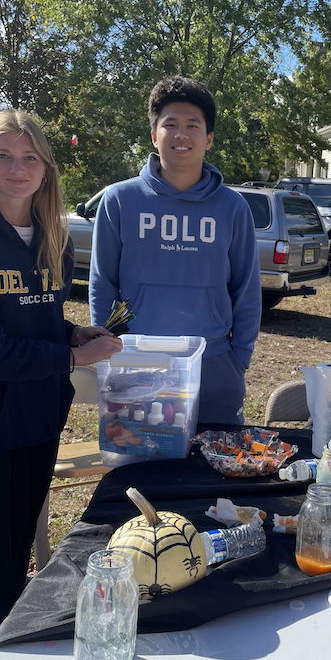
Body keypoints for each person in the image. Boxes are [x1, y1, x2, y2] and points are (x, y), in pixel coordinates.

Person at [0, 110, 123, 648]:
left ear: (45, 168)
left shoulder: (55, 236)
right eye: (4, 156)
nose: (18, 168)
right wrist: (72, 360)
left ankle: (2, 649)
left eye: (29, 157)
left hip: (38, 411)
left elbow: (33, 317)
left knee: (19, 547)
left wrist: (73, 333)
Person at [90, 76, 261, 425]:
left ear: (209, 138)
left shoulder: (233, 208)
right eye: (170, 124)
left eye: (192, 125)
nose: (181, 134)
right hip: (137, 360)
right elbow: (101, 282)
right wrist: (109, 350)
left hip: (214, 362)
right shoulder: (119, 200)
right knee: (137, 468)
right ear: (154, 135)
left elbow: (246, 289)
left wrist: (239, 356)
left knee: (216, 473)